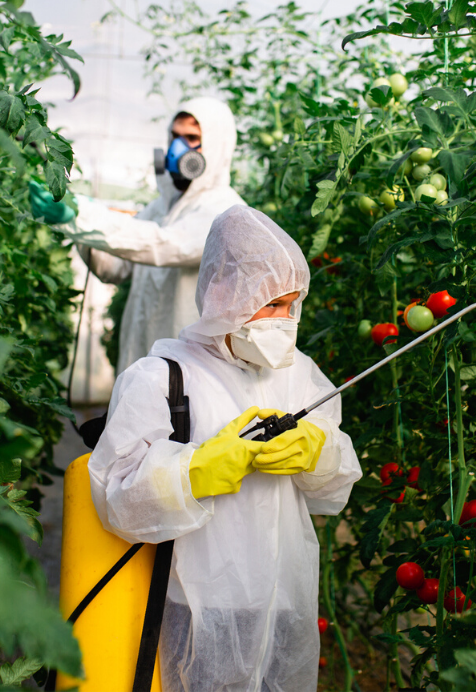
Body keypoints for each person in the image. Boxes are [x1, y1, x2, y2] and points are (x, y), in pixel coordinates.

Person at [87, 205, 362, 691]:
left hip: (282, 595)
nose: (284, 322)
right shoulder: (163, 378)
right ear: (221, 293)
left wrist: (319, 452)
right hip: (198, 600)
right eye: (270, 304)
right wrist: (190, 474)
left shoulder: (299, 374)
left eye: (291, 305)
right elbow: (116, 500)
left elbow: (335, 488)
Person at [29, 97, 245, 374]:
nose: (178, 148)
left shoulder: (225, 211)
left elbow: (163, 244)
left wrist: (81, 215)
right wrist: (79, 227)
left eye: (191, 138)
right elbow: (116, 268)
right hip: (143, 355)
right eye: (174, 136)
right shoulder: (161, 207)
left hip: (189, 370)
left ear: (217, 146)